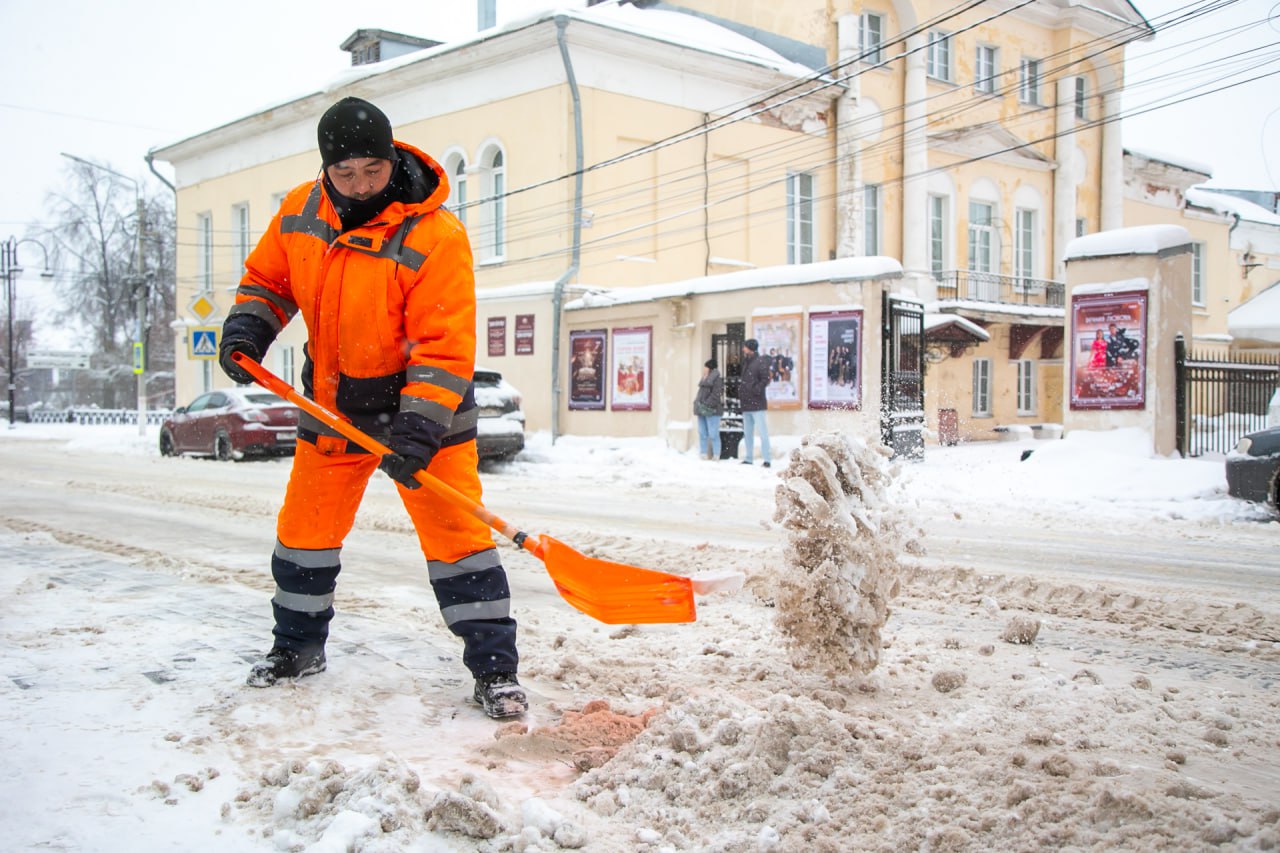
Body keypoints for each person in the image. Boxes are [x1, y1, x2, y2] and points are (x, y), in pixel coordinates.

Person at [217, 96, 526, 719]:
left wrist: (417, 428)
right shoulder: (301, 211)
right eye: (345, 172)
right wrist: (249, 327)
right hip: (333, 411)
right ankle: (297, 649)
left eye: (372, 170)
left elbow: (444, 346)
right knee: (304, 536)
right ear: (326, 169)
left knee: (458, 540)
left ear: (391, 160)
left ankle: (495, 670)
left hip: (425, 418)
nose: (359, 184)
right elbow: (269, 282)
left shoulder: (436, 235)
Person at [738, 338, 772, 467]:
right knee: (748, 433)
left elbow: (765, 379)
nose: (743, 349)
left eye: (745, 347)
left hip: (757, 403)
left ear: (750, 348)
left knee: (763, 433)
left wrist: (755, 389)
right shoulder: (747, 362)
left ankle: (767, 459)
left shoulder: (760, 362)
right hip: (746, 403)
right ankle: (749, 458)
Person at [693, 358, 724, 460]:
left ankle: (716, 454)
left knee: (713, 433)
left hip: (712, 410)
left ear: (710, 368)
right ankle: (703, 453)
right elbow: (701, 393)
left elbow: (715, 395)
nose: (704, 369)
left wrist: (705, 404)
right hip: (701, 409)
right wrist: (698, 404)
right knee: (702, 432)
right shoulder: (704, 378)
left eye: (705, 367)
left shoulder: (717, 379)